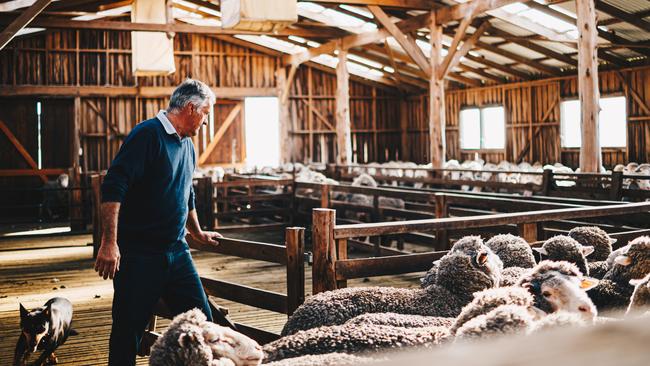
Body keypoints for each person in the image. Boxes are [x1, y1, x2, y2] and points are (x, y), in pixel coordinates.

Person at [94, 79, 223, 366]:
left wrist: (198, 233)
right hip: (140, 254)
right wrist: (109, 242)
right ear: (191, 108)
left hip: (177, 252)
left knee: (204, 324)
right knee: (128, 329)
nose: (205, 122)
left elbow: (186, 193)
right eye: (206, 113)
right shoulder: (147, 135)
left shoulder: (187, 146)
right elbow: (114, 186)